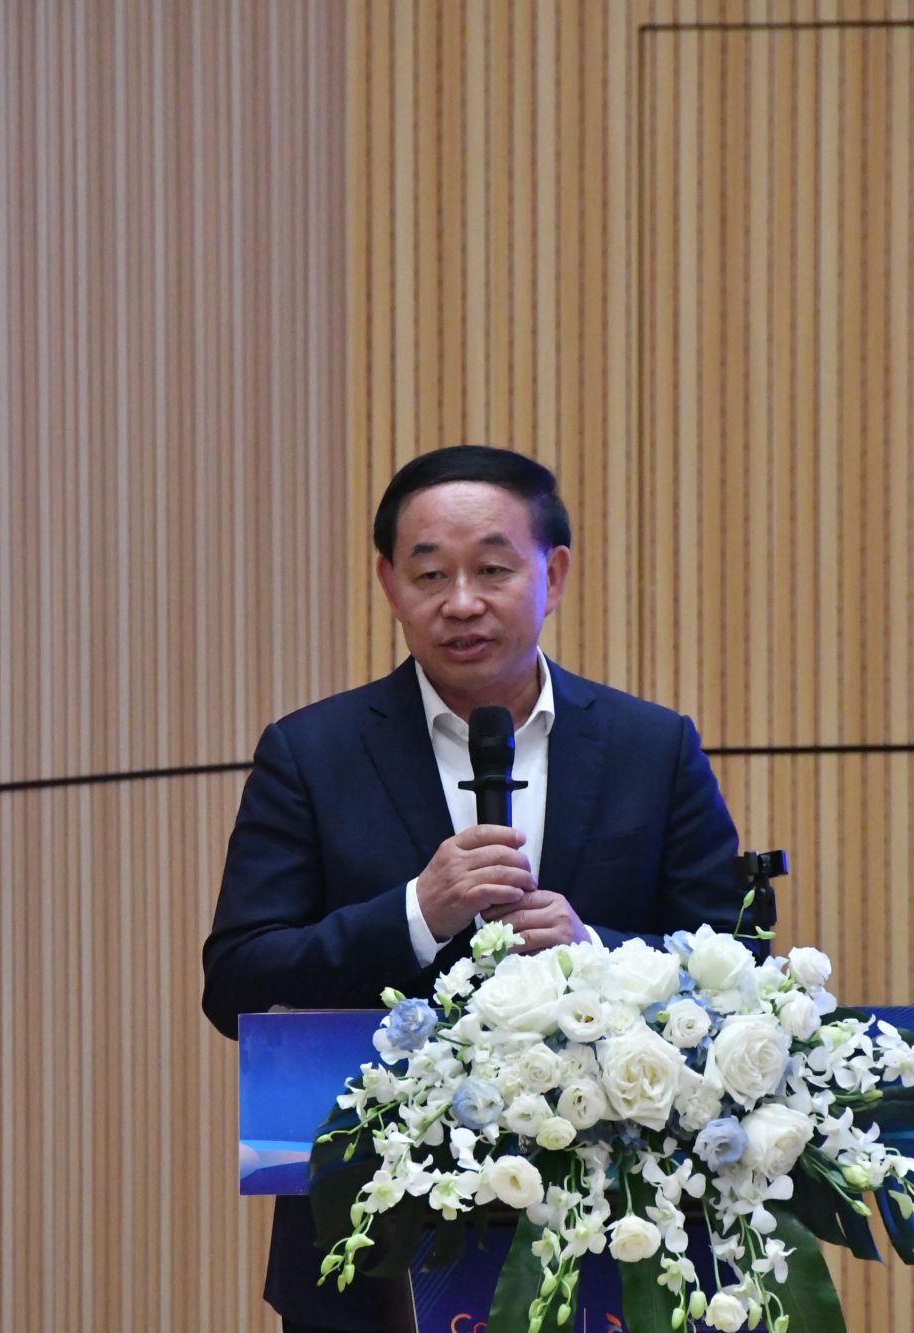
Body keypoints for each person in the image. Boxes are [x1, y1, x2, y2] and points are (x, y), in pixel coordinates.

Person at [202, 445, 741, 1332]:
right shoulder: (312, 754)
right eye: (429, 574)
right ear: (389, 583)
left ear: (553, 575)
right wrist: (416, 914)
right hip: (375, 1246)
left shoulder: (653, 747)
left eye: (492, 569)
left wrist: (595, 954)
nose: (460, 601)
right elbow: (236, 981)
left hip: (629, 1229)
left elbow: (737, 967)